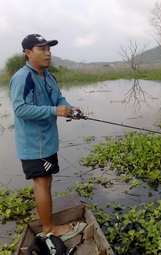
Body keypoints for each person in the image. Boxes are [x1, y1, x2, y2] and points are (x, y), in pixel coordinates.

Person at [10, 34, 81, 237]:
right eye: (42, 49)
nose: (48, 53)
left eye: (49, 48)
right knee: (42, 182)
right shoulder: (23, 78)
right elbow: (21, 109)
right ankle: (48, 228)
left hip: (47, 141)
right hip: (34, 145)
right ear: (28, 52)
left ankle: (46, 221)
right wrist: (54, 111)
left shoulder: (48, 76)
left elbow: (58, 98)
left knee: (46, 180)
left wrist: (70, 109)